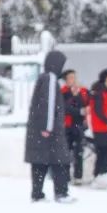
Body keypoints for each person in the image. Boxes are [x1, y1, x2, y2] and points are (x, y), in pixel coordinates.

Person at [25, 51, 73, 203]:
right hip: (50, 132)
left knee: (39, 163)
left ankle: (37, 194)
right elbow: (49, 104)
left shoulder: (43, 78)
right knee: (60, 162)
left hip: (38, 130)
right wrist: (47, 127)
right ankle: (61, 193)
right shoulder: (51, 79)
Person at [60, 70, 90, 183]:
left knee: (79, 151)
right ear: (66, 80)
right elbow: (65, 108)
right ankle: (65, 176)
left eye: (74, 77)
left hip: (79, 125)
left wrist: (78, 96)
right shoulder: (63, 92)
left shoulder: (82, 91)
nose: (74, 79)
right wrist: (79, 110)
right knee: (65, 152)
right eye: (71, 77)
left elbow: (86, 105)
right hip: (66, 125)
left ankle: (78, 176)